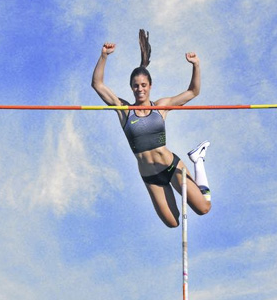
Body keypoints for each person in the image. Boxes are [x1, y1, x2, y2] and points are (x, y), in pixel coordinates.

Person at [91, 29, 212, 227]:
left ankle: (198, 159)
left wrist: (196, 65)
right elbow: (97, 84)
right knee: (173, 223)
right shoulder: (124, 110)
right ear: (131, 87)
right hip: (151, 176)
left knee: (203, 208)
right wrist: (103, 56)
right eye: (136, 86)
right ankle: (189, 169)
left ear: (150, 85)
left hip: (171, 166)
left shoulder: (160, 107)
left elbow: (193, 91)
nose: (140, 89)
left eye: (144, 85)